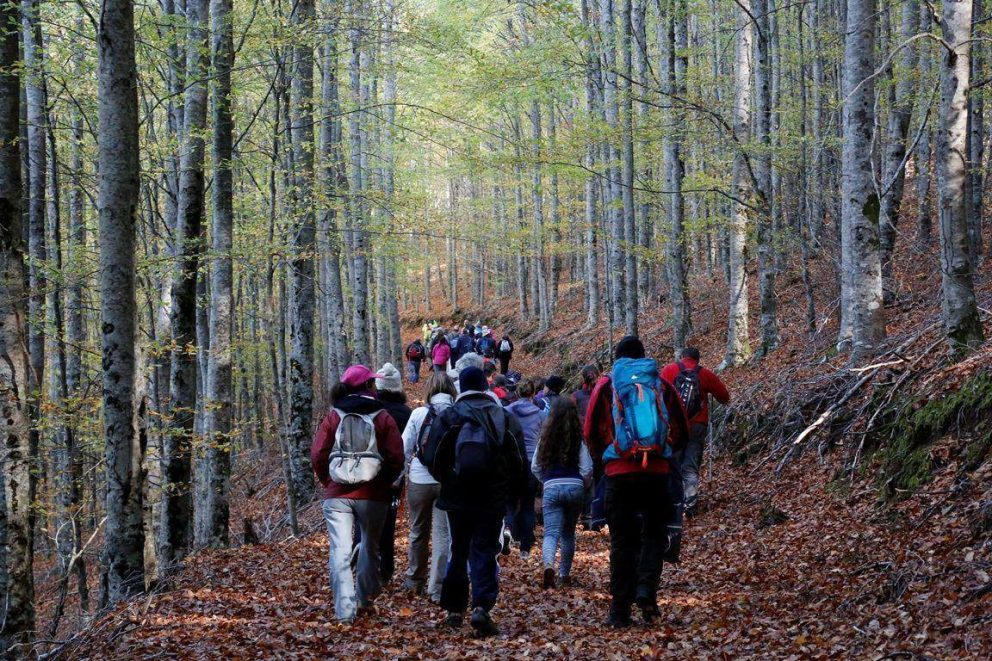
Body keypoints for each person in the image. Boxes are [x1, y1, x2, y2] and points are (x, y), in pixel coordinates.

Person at [584, 336, 689, 628]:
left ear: (617, 359)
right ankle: (647, 594)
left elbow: (590, 431)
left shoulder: (607, 385)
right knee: (654, 535)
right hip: (656, 473)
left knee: (622, 541)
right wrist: (664, 454)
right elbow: (681, 428)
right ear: (643, 357)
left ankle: (619, 610)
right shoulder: (660, 384)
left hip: (619, 473)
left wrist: (607, 459)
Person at [421, 367, 526, 637]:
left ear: (461, 387)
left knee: (459, 549)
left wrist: (448, 479)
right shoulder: (503, 416)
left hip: (456, 495)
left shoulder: (449, 416)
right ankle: (481, 606)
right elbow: (517, 459)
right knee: (484, 549)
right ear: (484, 387)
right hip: (491, 496)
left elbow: (432, 456)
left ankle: (454, 609)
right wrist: (511, 492)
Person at [310, 365, 404, 623]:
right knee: (370, 547)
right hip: (374, 494)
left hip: (337, 495)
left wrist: (329, 481)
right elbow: (397, 456)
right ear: (369, 386)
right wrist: (383, 482)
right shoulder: (382, 416)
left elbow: (318, 453)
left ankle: (344, 612)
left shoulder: (334, 416)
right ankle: (364, 599)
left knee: (339, 550)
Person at [400, 371, 455, 602]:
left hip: (419, 480)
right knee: (442, 534)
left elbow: (404, 447)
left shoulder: (418, 414)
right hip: (446, 481)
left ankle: (415, 580)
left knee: (418, 531)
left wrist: (401, 475)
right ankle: (437, 587)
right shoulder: (457, 413)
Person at [661, 347, 730, 517]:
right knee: (691, 464)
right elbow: (724, 397)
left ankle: (674, 501)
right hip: (697, 425)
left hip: (675, 426)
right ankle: (690, 503)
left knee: (674, 462)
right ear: (698, 359)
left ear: (682, 357)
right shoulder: (704, 374)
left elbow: (658, 395)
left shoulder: (669, 370)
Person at [531, 398, 593, 589]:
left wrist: (547, 481)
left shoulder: (545, 440)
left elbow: (535, 467)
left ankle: (549, 565)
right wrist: (582, 484)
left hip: (552, 486)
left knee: (551, 533)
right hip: (575, 487)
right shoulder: (578, 440)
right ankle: (564, 574)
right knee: (568, 533)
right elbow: (587, 468)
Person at [374, 364, 411, 584]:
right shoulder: (406, 413)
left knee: (366, 521)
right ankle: (386, 568)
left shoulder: (371, 410)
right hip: (394, 475)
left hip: (368, 472)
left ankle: (367, 565)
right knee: (388, 521)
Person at [503, 379, 547, 560]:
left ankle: (508, 529)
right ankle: (525, 547)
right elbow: (544, 439)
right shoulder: (541, 415)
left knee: (510, 501)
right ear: (533, 394)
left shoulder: (507, 411)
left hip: (512, 460)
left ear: (517, 393)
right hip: (531, 461)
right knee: (528, 503)